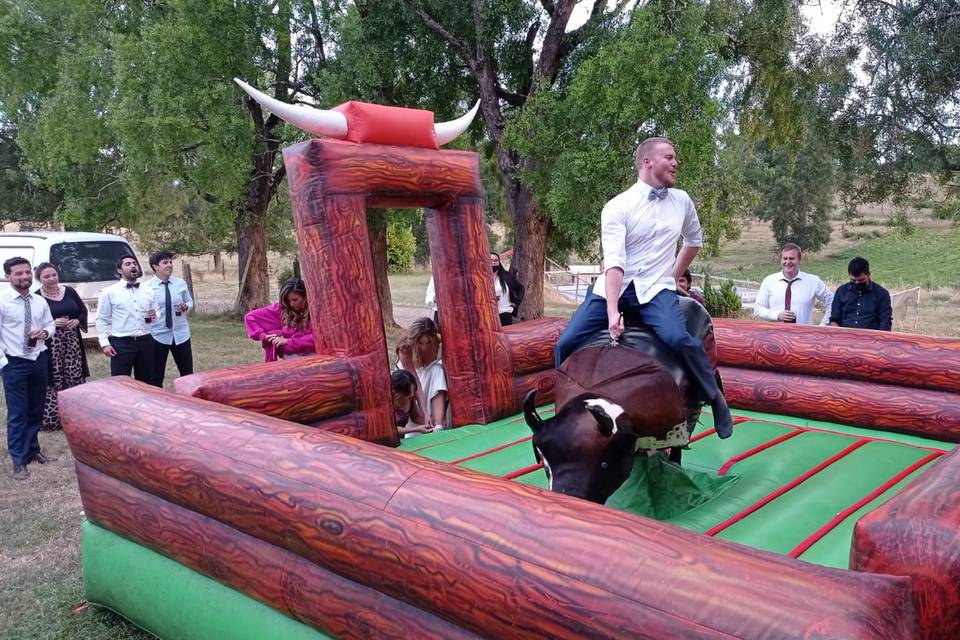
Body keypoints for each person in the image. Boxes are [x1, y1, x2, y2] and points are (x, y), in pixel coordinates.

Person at [552, 137, 733, 437]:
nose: (676, 163)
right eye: (669, 157)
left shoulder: (682, 201)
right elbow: (614, 264)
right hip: (614, 289)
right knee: (565, 343)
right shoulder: (618, 206)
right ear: (647, 161)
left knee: (679, 339)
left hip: (655, 290)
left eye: (675, 158)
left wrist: (672, 277)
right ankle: (563, 407)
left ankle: (715, 398)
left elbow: (694, 241)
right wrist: (612, 313)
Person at [1, 257, 57, 480]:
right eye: (18, 273)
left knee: (36, 409)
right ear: (8, 277)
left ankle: (33, 450)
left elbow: (50, 324)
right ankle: (18, 459)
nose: (24, 277)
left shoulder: (38, 301)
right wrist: (4, 363)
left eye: (26, 272)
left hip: (38, 359)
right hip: (14, 363)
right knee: (18, 413)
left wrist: (46, 333)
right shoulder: (3, 301)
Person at [34, 262, 89, 431]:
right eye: (46, 276)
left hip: (72, 341)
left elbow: (82, 310)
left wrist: (77, 321)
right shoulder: (37, 297)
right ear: (39, 279)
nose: (51, 279)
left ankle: (77, 417)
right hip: (51, 344)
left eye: (54, 275)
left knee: (74, 375)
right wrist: (52, 323)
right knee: (55, 377)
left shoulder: (70, 291)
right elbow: (35, 322)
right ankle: (55, 419)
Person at [97, 254, 157, 382]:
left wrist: (155, 315)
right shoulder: (109, 292)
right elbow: (102, 319)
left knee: (146, 381)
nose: (133, 266)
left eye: (134, 263)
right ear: (120, 270)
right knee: (121, 383)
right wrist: (105, 343)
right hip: (122, 343)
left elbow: (157, 312)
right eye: (128, 264)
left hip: (146, 340)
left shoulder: (148, 290)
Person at [754, 243, 834, 325]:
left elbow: (833, 301)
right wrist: (777, 315)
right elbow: (757, 309)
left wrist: (824, 325)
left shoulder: (813, 281)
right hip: (776, 335)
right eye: (785, 258)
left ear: (799, 260)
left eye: (792, 258)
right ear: (780, 260)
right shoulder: (769, 281)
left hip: (803, 335)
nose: (788, 262)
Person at [146, 251, 194, 386]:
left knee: (187, 373)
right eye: (165, 262)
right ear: (156, 267)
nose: (169, 265)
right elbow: (144, 311)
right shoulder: (147, 288)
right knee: (156, 375)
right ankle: (157, 402)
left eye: (170, 262)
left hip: (181, 334)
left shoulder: (180, 283)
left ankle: (190, 401)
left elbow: (190, 302)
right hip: (158, 335)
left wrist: (186, 306)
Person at [244, 277, 316, 362]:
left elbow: (318, 339)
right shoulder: (281, 309)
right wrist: (263, 336)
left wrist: (288, 341)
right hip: (290, 358)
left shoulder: (316, 311)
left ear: (305, 296)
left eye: (295, 300)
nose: (291, 304)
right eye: (288, 300)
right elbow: (250, 317)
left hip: (314, 355)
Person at [396, 316, 449, 428]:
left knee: (437, 371)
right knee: (411, 387)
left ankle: (438, 425)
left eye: (428, 342)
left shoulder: (439, 340)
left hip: (431, 374)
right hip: (412, 380)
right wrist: (424, 413)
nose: (424, 347)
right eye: (420, 343)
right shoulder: (405, 349)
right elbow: (415, 382)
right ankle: (424, 423)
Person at [829, 257, 893, 331]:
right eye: (853, 280)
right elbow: (834, 320)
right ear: (849, 275)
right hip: (845, 337)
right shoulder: (841, 292)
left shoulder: (882, 294)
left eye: (861, 280)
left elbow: (885, 321)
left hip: (871, 338)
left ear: (868, 275)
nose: (857, 283)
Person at [390, 369, 434, 437]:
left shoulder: (410, 398)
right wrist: (415, 429)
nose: (413, 394)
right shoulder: (386, 402)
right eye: (409, 392)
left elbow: (416, 416)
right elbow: (389, 429)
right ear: (399, 393)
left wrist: (431, 424)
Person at [491, 252, 523, 326]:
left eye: (496, 260)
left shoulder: (507, 276)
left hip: (504, 314)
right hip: (487, 316)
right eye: (491, 260)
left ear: (499, 262)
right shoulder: (480, 278)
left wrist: (516, 302)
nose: (493, 262)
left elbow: (520, 288)